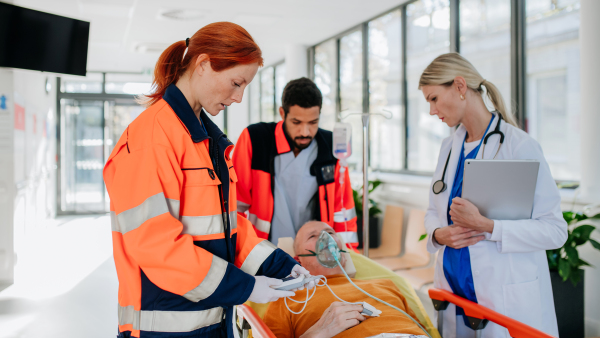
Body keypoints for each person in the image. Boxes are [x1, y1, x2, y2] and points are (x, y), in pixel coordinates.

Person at [103, 22, 313, 338]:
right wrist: (245, 287)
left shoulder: (206, 142)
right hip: (164, 328)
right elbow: (156, 246)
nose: (239, 98)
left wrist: (281, 266)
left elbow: (227, 227)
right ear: (203, 65)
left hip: (212, 318)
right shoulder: (150, 139)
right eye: (235, 83)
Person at [420, 53, 567, 338]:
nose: (431, 111)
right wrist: (438, 235)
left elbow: (555, 231)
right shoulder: (448, 148)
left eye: (433, 98)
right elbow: (431, 212)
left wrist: (489, 226)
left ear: (460, 86)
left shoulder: (519, 146)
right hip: (454, 292)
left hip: (501, 296)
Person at [233, 77, 358, 249]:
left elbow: (342, 209)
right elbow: (235, 204)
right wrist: (238, 250)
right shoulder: (255, 139)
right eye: (296, 122)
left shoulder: (331, 147)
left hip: (317, 253)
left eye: (313, 122)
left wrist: (347, 255)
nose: (305, 132)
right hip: (263, 250)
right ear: (282, 113)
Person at [263, 221, 428, 338]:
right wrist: (316, 334)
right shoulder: (287, 300)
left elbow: (423, 329)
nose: (325, 238)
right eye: (313, 236)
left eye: (330, 233)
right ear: (298, 260)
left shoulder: (385, 284)